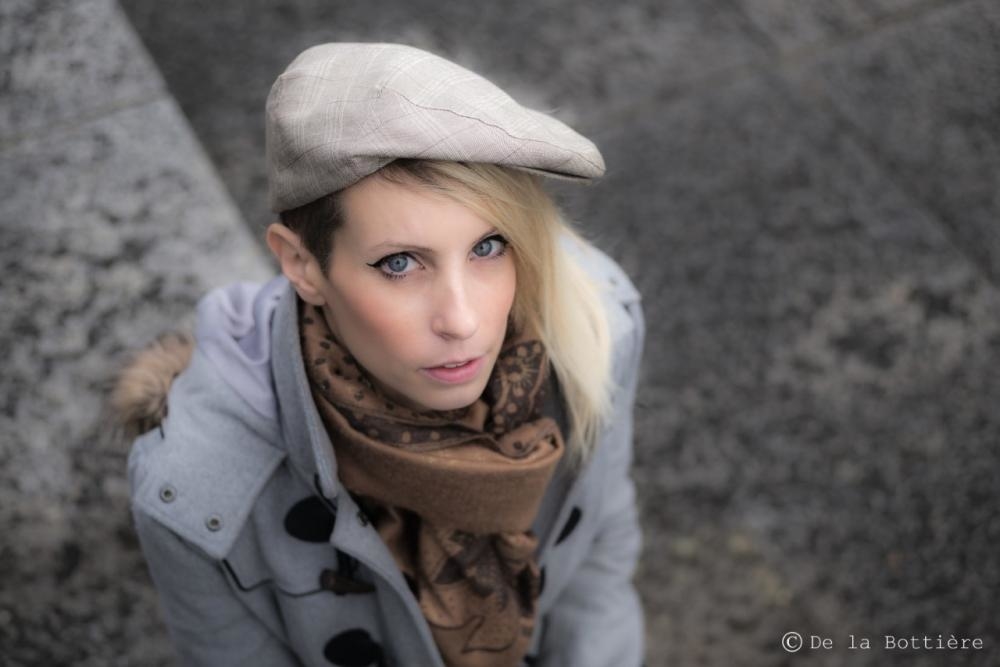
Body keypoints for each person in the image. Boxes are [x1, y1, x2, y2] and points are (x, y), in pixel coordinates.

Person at [114, 42, 645, 667]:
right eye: (400, 264)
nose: (463, 320)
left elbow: (600, 556)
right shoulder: (194, 493)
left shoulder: (594, 327)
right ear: (302, 265)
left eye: (488, 246)